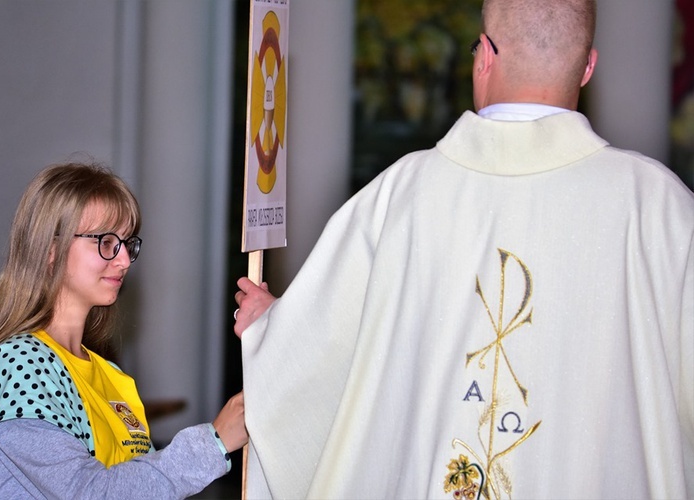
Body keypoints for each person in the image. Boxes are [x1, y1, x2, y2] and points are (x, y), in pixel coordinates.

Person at [233, 0, 694, 498]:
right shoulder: (661, 210)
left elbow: (319, 366)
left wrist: (274, 332)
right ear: (587, 67)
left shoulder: (399, 196)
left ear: (485, 58)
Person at [0, 162, 247, 498]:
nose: (123, 261)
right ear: (50, 249)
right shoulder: (15, 365)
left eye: (126, 243)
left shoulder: (110, 375)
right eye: (105, 242)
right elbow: (89, 492)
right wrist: (214, 442)